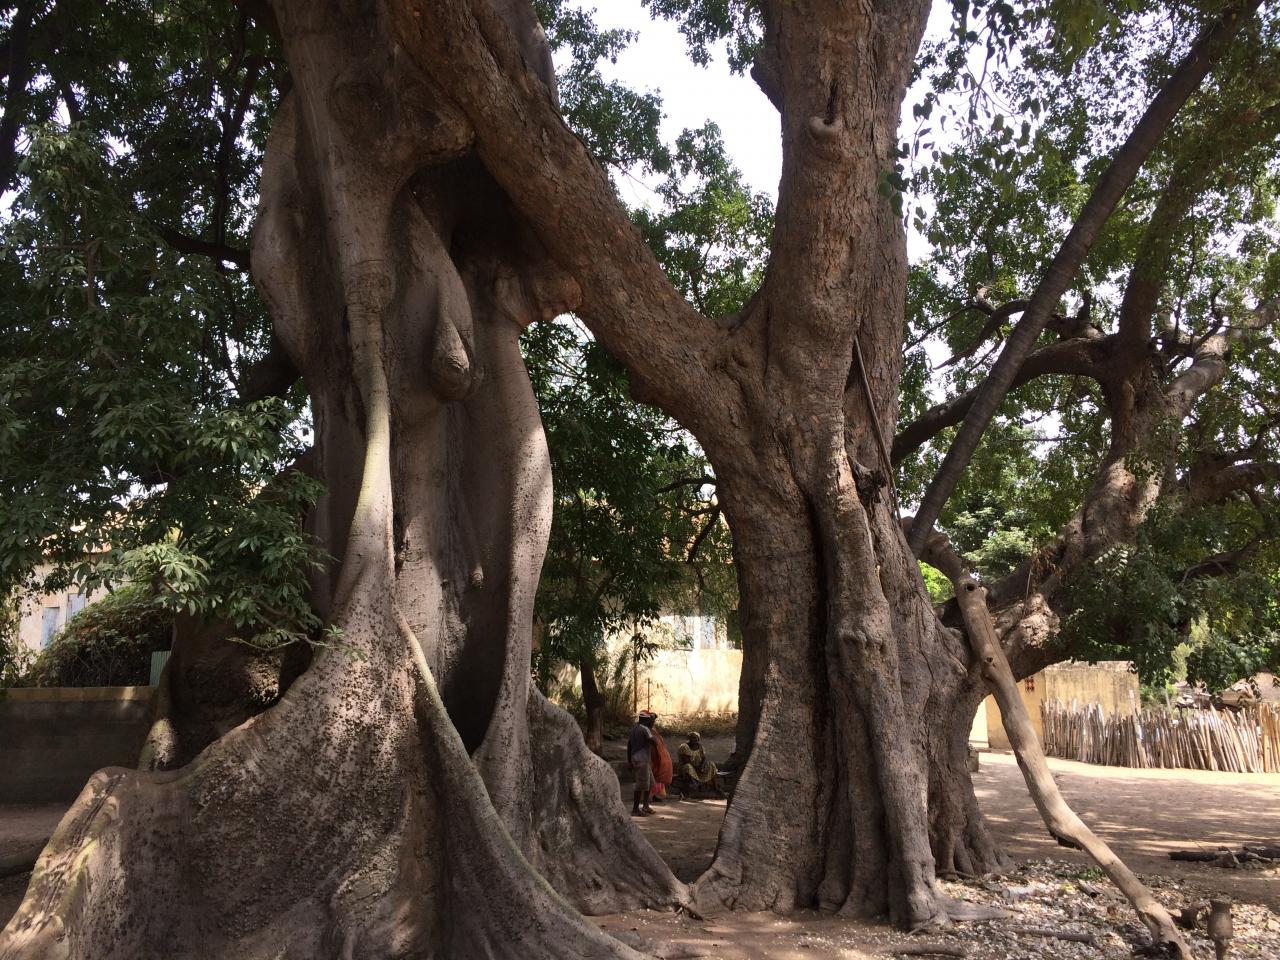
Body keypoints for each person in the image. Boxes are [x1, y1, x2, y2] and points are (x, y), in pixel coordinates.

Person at [627, 711, 656, 816]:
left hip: (637, 759)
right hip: (642, 760)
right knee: (640, 785)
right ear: (646, 720)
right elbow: (654, 742)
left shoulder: (633, 729)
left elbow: (629, 746)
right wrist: (654, 737)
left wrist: (629, 760)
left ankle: (645, 806)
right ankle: (635, 809)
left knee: (650, 784)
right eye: (651, 720)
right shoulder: (645, 729)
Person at [677, 731, 723, 798]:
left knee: (711, 764)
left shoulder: (700, 747)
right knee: (688, 767)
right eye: (692, 738)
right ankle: (689, 788)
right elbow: (686, 761)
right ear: (689, 739)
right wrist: (697, 768)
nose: (694, 740)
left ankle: (715, 787)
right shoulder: (684, 747)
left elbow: (704, 758)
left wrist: (701, 766)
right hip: (686, 768)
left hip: (698, 768)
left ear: (698, 739)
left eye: (695, 738)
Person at [649, 716, 673, 804]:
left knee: (660, 778)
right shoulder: (644, 730)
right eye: (652, 720)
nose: (653, 722)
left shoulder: (653, 730)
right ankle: (647, 798)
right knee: (650, 778)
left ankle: (654, 795)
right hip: (649, 758)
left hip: (659, 758)